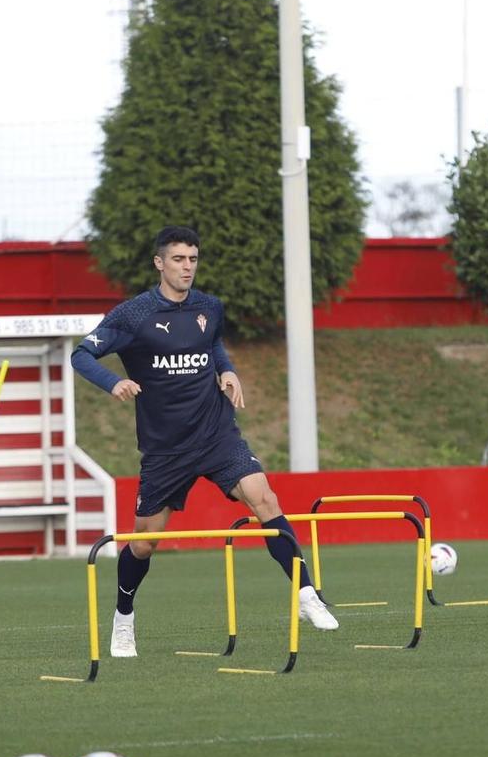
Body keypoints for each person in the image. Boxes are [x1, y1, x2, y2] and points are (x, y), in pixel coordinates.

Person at [70, 224, 338, 658]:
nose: (187, 267)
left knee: (264, 499)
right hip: (165, 448)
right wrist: (112, 382)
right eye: (178, 259)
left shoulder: (210, 307)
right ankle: (123, 619)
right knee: (143, 543)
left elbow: (213, 344)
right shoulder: (133, 315)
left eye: (192, 259)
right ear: (160, 263)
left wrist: (226, 369)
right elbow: (81, 353)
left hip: (216, 433)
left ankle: (307, 594)